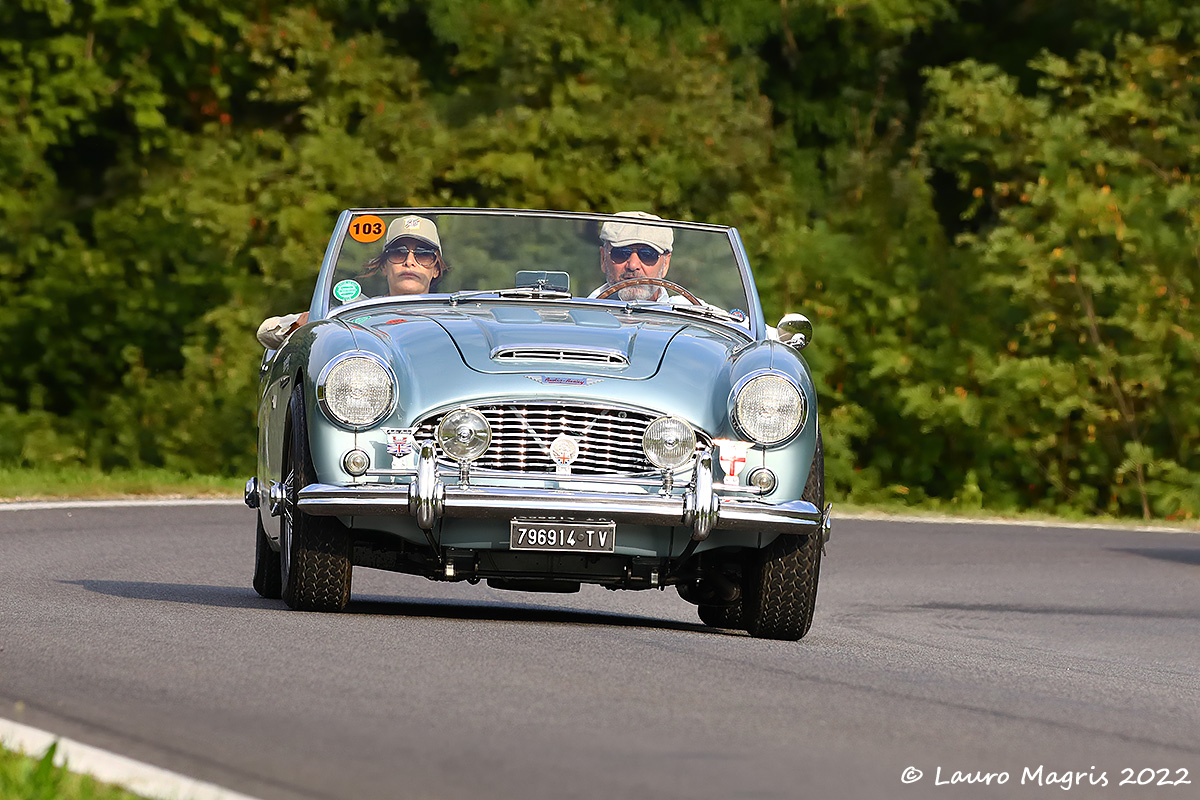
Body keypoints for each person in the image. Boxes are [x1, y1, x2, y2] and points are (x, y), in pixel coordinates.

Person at [256, 215, 450, 349]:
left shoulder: (454, 318)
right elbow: (266, 331)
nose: (409, 262)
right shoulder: (357, 312)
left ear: (436, 269)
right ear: (384, 266)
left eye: (423, 255)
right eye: (398, 253)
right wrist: (305, 325)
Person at [588, 211, 674, 302]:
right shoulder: (580, 312)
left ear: (665, 264)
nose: (633, 265)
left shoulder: (686, 312)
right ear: (603, 259)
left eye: (647, 255)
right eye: (621, 253)